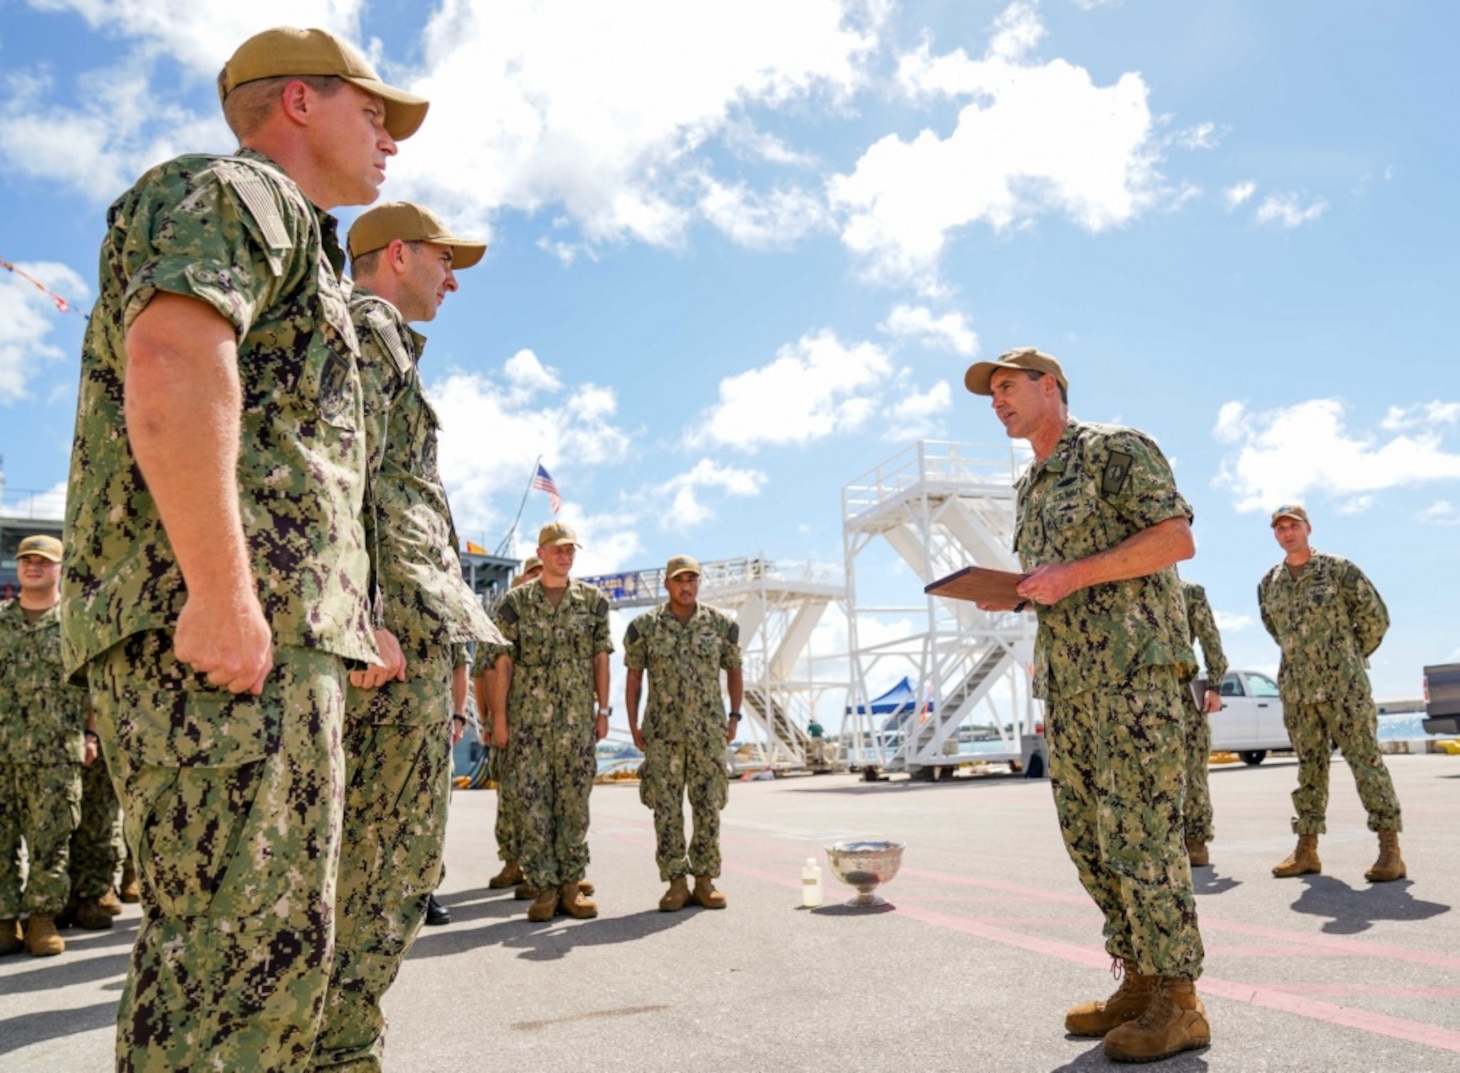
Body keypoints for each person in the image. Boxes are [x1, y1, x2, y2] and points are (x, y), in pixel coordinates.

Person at [59, 26, 426, 1071]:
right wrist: (221, 590)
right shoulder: (234, 192)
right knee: (232, 966)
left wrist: (350, 623)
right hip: (216, 639)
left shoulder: (294, 240)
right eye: (375, 110)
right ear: (299, 104)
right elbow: (171, 354)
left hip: (268, 639)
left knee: (264, 961)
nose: (389, 137)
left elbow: (299, 460)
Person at [966, 347, 1209, 1063]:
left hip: (1135, 676)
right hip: (1070, 686)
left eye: (1008, 386)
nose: (997, 401)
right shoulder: (1031, 486)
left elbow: (1175, 539)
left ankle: (1181, 1001)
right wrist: (1013, 590)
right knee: (1093, 843)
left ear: (1051, 387)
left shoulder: (1115, 451)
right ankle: (1139, 978)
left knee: (1142, 836)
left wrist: (1073, 574)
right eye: (992, 392)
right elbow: (1054, 584)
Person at [310, 202, 504, 1066]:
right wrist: (370, 615)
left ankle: (343, 1045)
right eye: (443, 259)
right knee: (384, 871)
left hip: (404, 641)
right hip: (388, 649)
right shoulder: (370, 328)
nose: (453, 278)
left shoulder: (378, 335)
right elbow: (341, 474)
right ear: (395, 255)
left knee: (389, 868)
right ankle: (339, 1050)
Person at [1258, 505, 1404, 882]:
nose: (1288, 532)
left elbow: (1376, 617)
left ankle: (1390, 850)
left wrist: (1349, 657)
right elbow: (1277, 633)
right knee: (1309, 770)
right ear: (1275, 535)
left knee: (1365, 762)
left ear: (1308, 528)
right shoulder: (1268, 584)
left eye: (1294, 526)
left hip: (1345, 688)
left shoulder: (1339, 570)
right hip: (1298, 691)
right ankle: (1306, 850)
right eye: (1281, 528)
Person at [489, 522, 612, 922]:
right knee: (533, 806)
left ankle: (572, 887)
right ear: (540, 553)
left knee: (574, 806)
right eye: (557, 549)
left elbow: (601, 658)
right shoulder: (515, 604)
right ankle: (544, 889)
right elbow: (502, 662)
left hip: (577, 721)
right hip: (528, 722)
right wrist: (501, 719)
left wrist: (603, 711)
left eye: (570, 549)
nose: (565, 555)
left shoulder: (593, 601)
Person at [623, 555, 743, 911]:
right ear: (667, 584)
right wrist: (633, 724)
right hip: (662, 734)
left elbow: (734, 670)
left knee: (708, 806)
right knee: (667, 809)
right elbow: (633, 678)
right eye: (679, 580)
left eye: (692, 579)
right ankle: (676, 881)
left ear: (699, 583)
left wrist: (734, 716)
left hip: (708, 732)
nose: (686, 586)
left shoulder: (721, 625)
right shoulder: (644, 627)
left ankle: (705, 880)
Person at [0, 535, 93, 956]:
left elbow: (93, 687)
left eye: (43, 561)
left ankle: (41, 919)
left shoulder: (75, 625)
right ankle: (4, 921)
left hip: (56, 753)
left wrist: (91, 735)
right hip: (2, 751)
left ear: (60, 569)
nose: (32, 566)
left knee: (51, 841)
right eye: (25, 560)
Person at [473, 555, 543, 897]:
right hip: (511, 723)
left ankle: (552, 870)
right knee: (513, 798)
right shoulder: (500, 623)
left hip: (550, 726)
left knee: (552, 799)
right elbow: (483, 673)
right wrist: (488, 720)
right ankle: (514, 863)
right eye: (531, 573)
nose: (536, 579)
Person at [1178, 579, 1226, 867]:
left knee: (1193, 768)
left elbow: (1210, 639)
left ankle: (1195, 841)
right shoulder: (1132, 587)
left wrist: (1216, 685)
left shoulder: (1189, 592)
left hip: (1184, 692)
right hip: (1141, 696)